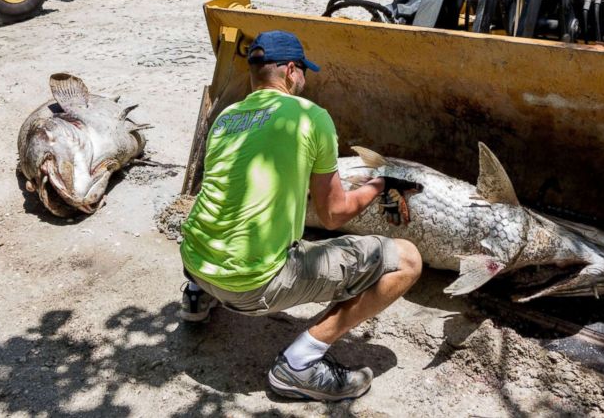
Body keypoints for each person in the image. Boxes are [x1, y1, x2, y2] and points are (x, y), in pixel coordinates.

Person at [178, 30, 423, 401]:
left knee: (222, 209)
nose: (305, 79)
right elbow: (334, 215)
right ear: (291, 71)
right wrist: (379, 184)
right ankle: (299, 365)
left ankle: (195, 298)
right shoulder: (310, 116)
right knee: (407, 260)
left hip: (195, 260)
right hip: (248, 285)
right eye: (304, 72)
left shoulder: (226, 117)